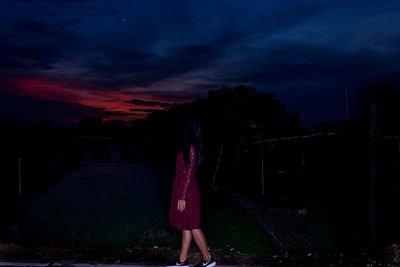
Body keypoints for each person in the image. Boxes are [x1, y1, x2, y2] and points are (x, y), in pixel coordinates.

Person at [167, 120, 216, 267]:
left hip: (186, 190)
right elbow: (185, 169)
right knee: (186, 225)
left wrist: (182, 196)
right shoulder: (189, 148)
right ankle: (182, 261)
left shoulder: (191, 148)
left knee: (193, 225)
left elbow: (189, 173)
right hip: (184, 187)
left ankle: (208, 259)